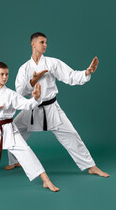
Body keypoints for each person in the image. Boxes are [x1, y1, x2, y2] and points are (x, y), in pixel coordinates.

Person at [6, 32, 109, 178]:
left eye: (46, 42)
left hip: (51, 108)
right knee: (13, 130)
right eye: (42, 42)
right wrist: (33, 81)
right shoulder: (24, 68)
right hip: (32, 108)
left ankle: (91, 166)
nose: (45, 45)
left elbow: (71, 76)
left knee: (72, 135)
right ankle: (15, 160)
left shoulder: (52, 63)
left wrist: (87, 72)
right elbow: (19, 92)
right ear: (33, 44)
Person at [0, 62, 60, 192]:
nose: (4, 77)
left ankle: (46, 180)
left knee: (27, 152)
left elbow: (26, 105)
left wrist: (35, 99)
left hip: (8, 131)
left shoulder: (10, 94)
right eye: (1, 74)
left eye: (7, 74)